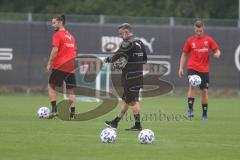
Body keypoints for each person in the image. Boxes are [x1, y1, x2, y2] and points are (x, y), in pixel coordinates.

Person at [104, 23, 147, 131]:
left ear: (127, 32)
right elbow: (145, 59)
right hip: (138, 75)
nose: (120, 36)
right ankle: (115, 122)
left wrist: (107, 59)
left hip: (129, 77)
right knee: (126, 100)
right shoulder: (140, 42)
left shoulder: (127, 42)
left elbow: (117, 56)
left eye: (120, 34)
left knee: (133, 101)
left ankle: (138, 125)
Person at [178, 20, 221, 120]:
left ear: (203, 29)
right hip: (192, 67)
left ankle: (204, 114)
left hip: (204, 70)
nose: (198, 33)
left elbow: (217, 50)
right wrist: (181, 67)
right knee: (192, 85)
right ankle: (190, 110)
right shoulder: (190, 41)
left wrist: (217, 54)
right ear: (194, 29)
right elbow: (184, 54)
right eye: (197, 31)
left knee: (205, 91)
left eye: (200, 31)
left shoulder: (209, 40)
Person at [46, 14, 77, 119]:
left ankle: (54, 110)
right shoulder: (71, 36)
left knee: (51, 86)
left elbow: (55, 50)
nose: (52, 25)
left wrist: (50, 63)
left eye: (54, 23)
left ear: (60, 22)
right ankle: (72, 114)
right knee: (71, 91)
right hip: (70, 66)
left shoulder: (58, 35)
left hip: (60, 65)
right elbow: (74, 51)